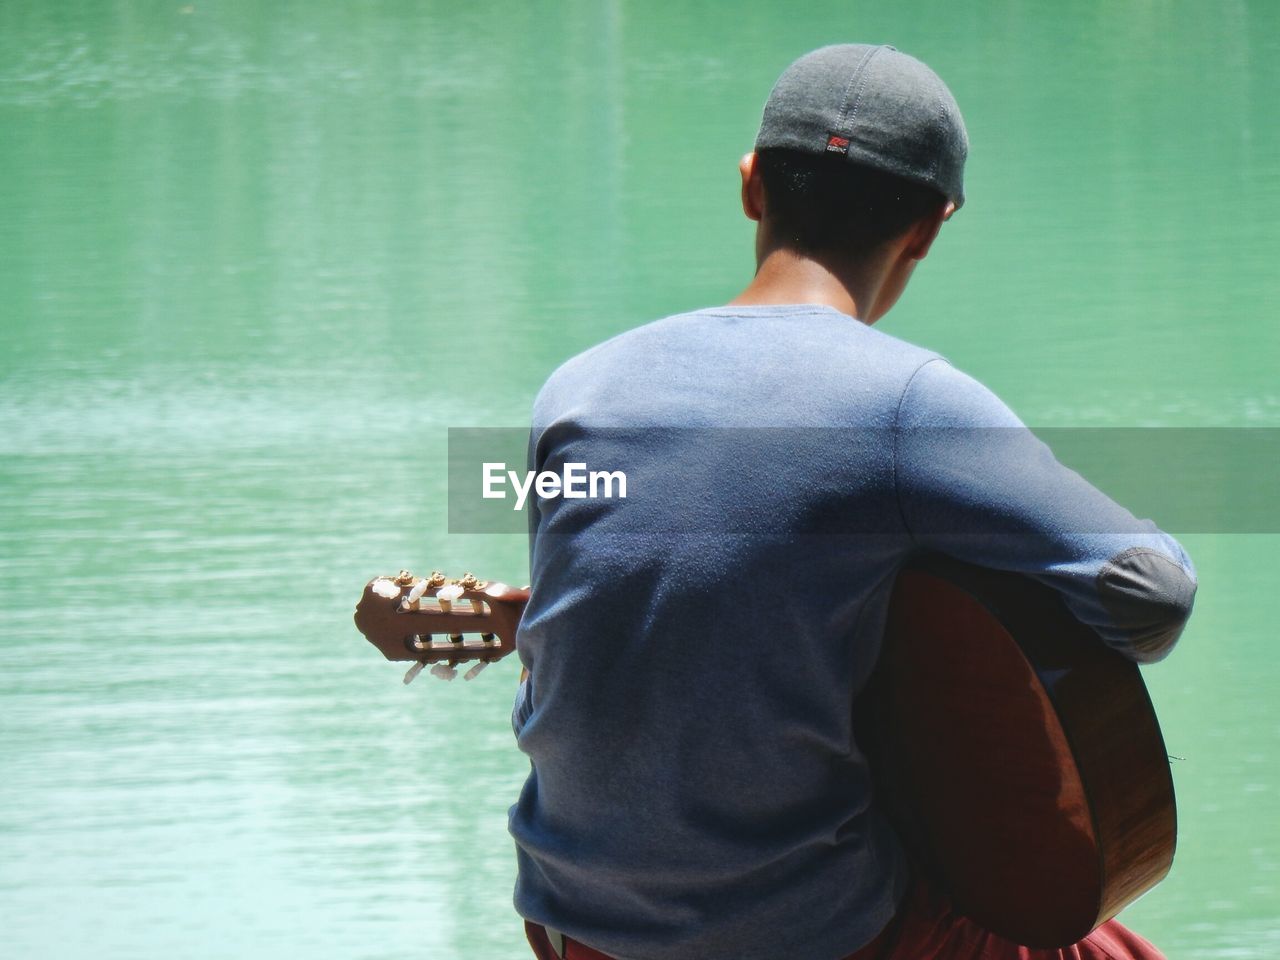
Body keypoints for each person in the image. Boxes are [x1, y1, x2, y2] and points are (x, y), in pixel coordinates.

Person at [508, 44, 1196, 960]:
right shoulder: (906, 402)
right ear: (930, 227)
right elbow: (1152, 593)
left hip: (572, 929)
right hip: (806, 937)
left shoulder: (575, 394)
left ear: (751, 186)